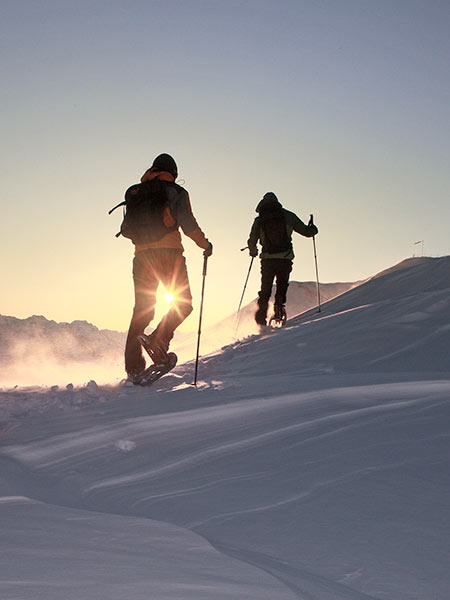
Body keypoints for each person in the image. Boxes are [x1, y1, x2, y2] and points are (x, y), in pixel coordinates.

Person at [122, 153, 212, 380]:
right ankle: (159, 339)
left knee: (142, 311)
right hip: (169, 255)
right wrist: (205, 244)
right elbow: (188, 224)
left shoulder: (135, 192)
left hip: (142, 258)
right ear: (174, 173)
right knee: (184, 303)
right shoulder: (176, 192)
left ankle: (133, 368)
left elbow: (125, 230)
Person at [247, 192, 318, 326]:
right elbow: (306, 232)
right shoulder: (287, 215)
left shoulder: (260, 219)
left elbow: (252, 240)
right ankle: (279, 308)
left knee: (265, 288)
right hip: (285, 258)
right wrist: (313, 229)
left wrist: (253, 251)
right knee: (282, 284)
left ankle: (261, 317)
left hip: (267, 259)